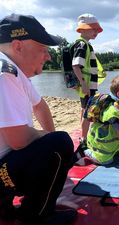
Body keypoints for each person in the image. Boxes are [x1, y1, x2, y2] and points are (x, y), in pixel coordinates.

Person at [0, 14, 77, 225]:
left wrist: (49, 141)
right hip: (1, 173)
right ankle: (36, 217)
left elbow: (40, 106)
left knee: (53, 143)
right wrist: (54, 147)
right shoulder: (5, 74)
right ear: (18, 46)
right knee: (59, 144)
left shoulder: (14, 70)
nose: (49, 56)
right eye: (43, 49)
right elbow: (19, 140)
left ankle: (4, 205)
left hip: (3, 168)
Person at [72, 13, 104, 148]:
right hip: (87, 85)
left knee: (84, 109)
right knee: (87, 113)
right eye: (93, 29)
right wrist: (83, 84)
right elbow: (75, 65)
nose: (96, 32)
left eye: (97, 29)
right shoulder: (82, 45)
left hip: (87, 85)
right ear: (83, 29)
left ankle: (83, 135)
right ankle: (84, 139)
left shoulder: (84, 44)